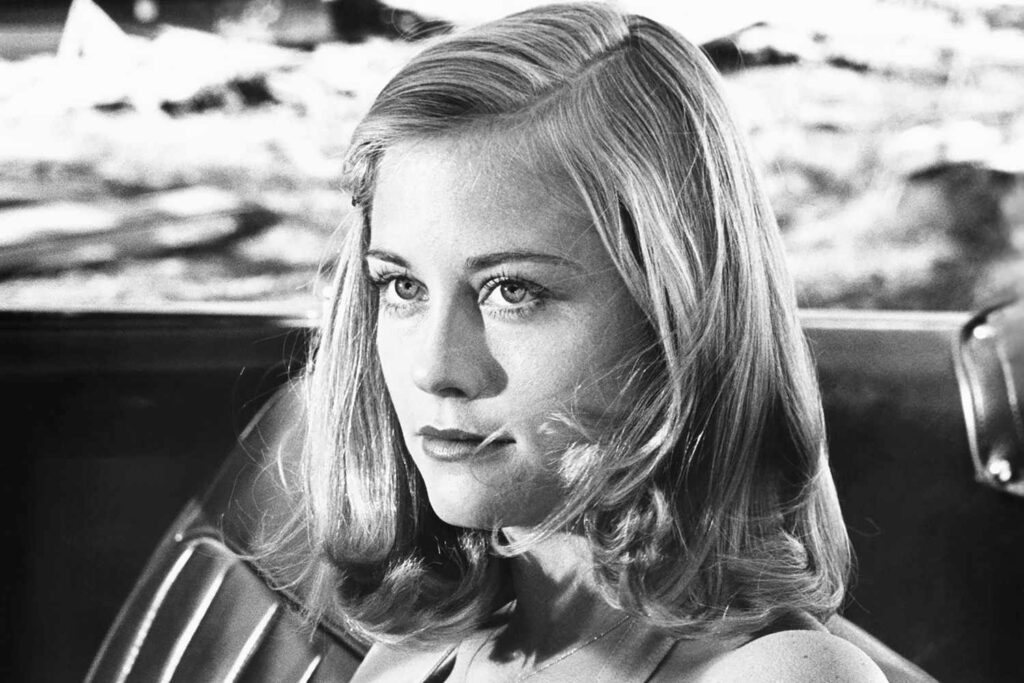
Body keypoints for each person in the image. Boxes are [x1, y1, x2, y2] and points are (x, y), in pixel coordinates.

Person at [262, 3, 888, 681]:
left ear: (673, 316)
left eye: (512, 292)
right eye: (402, 286)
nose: (434, 368)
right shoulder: (411, 656)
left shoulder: (782, 674)